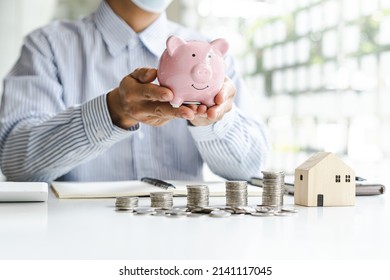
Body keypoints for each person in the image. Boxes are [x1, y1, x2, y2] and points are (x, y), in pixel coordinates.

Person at [0, 0, 269, 182]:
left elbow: (249, 169)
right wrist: (112, 112)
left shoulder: (214, 56)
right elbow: (16, 163)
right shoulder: (47, 47)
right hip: (81, 243)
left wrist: (214, 121)